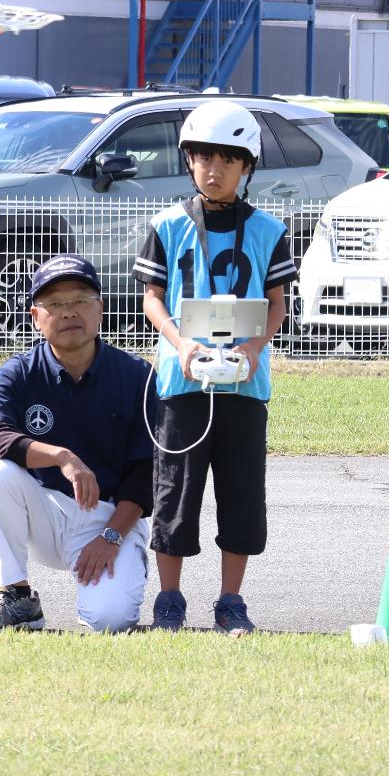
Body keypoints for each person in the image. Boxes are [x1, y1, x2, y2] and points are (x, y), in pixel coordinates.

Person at [132, 100, 295, 636]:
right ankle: (169, 598)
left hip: (245, 385)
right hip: (182, 383)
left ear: (247, 166)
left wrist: (255, 347)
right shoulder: (167, 225)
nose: (214, 169)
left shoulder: (270, 230)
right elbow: (153, 297)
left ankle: (231, 601)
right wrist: (179, 344)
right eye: (203, 156)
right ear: (188, 160)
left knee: (242, 492)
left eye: (228, 159)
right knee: (175, 490)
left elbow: (278, 304)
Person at [0, 254, 155, 633]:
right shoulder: (18, 372)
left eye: (80, 301)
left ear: (100, 309)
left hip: (108, 519)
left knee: (110, 620)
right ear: (37, 317)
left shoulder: (136, 376)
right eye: (55, 304)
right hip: (45, 512)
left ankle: (128, 563)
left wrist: (113, 536)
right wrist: (61, 457)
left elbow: (148, 469)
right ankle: (18, 597)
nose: (69, 312)